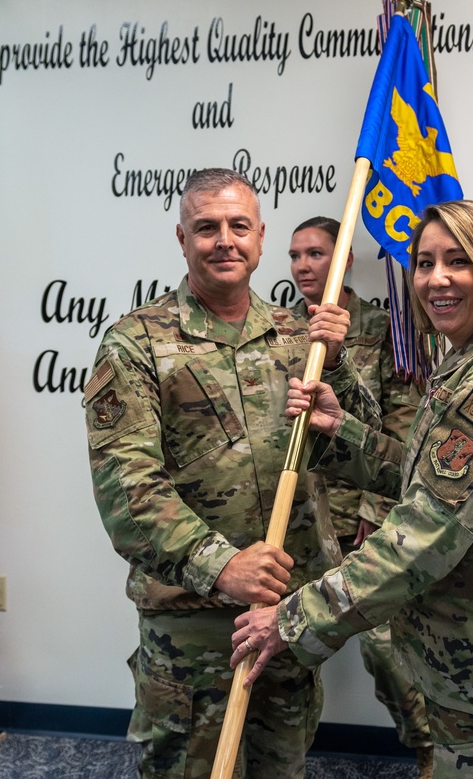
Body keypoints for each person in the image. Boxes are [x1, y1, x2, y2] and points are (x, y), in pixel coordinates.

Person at [232, 200, 473, 779]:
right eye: (424, 263)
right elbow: (422, 479)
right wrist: (342, 429)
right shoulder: (470, 362)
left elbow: (423, 534)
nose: (435, 279)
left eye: (458, 261)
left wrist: (293, 619)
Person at [84, 168, 364, 779]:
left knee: (282, 766)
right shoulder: (136, 345)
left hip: (286, 613)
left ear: (261, 238)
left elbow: (354, 455)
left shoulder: (299, 337)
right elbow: (127, 491)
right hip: (196, 626)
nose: (224, 240)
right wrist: (222, 566)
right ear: (181, 239)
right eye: (206, 227)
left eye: (239, 226)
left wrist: (338, 368)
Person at [287, 216, 433, 775]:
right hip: (296, 512)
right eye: (295, 255)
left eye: (316, 254)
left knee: (384, 648)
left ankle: (428, 750)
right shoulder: (277, 330)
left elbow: (406, 432)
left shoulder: (386, 328)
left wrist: (376, 512)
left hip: (360, 516)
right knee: (290, 641)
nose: (303, 265)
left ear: (343, 260)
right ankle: (286, 755)